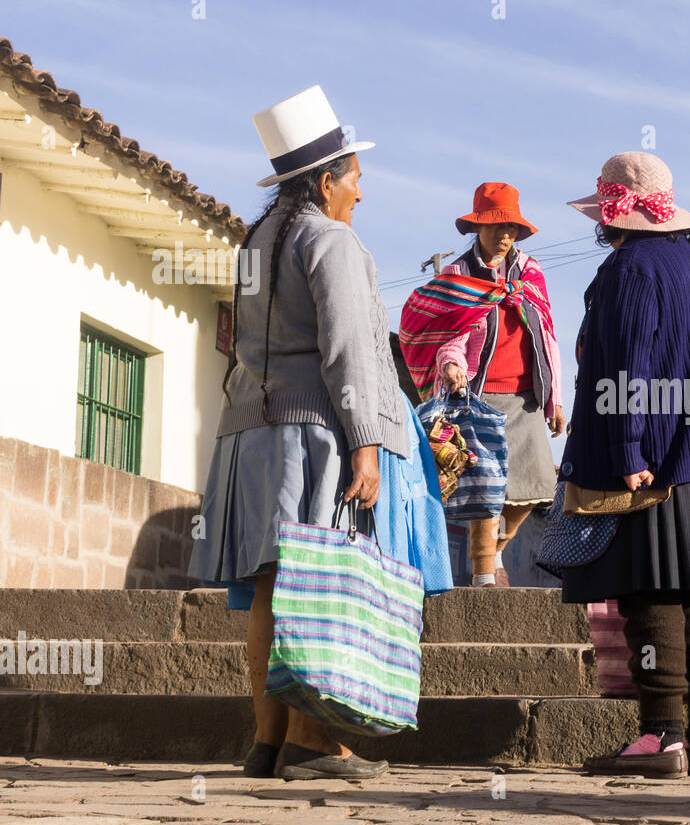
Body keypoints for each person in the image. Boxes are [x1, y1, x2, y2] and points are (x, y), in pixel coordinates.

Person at [188, 86, 449, 781]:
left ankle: (266, 744)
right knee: (324, 583)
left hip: (252, 435)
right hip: (318, 435)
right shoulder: (330, 239)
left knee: (274, 585)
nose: (360, 193)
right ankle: (316, 744)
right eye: (355, 177)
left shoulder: (259, 240)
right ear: (325, 181)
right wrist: (366, 440)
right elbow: (352, 350)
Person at [561, 151, 690, 779]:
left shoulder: (628, 270)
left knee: (648, 596)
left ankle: (662, 737)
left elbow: (630, 367)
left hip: (649, 460)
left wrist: (628, 449)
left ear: (612, 215)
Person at [401, 183, 562, 587]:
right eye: (495, 227)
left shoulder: (531, 273)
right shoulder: (459, 274)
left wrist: (555, 400)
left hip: (526, 396)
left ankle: (495, 551)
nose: (505, 235)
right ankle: (484, 572)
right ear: (477, 228)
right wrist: (452, 365)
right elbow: (448, 332)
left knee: (537, 481)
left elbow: (547, 336)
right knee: (484, 485)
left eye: (511, 227)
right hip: (478, 394)